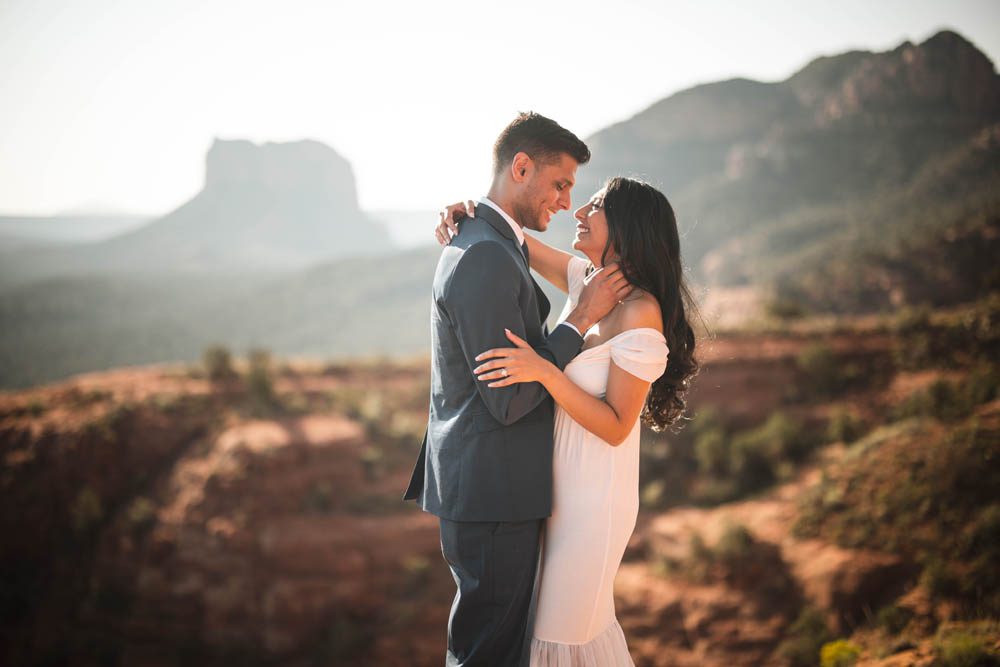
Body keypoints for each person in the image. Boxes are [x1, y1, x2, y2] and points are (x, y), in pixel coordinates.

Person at [435, 176, 700, 666]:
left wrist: (544, 371)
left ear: (626, 227)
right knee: (540, 629)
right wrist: (471, 211)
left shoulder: (642, 312)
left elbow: (618, 425)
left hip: (594, 500)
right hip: (553, 489)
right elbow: (514, 238)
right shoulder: (587, 281)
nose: (578, 211)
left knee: (563, 635)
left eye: (595, 205)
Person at [403, 111, 631, 666]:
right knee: (488, 655)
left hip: (490, 486)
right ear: (521, 167)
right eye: (560, 184)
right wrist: (577, 320)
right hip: (494, 491)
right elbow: (510, 398)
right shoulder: (484, 254)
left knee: (495, 646)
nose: (565, 200)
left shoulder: (489, 239)